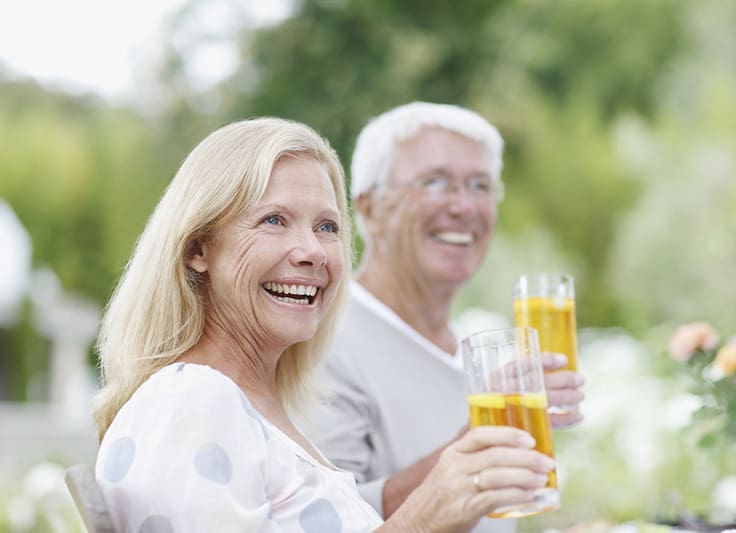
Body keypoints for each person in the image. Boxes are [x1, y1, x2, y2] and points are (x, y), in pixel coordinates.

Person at [92, 117, 556, 532]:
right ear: (198, 249)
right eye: (274, 220)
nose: (312, 250)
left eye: (327, 227)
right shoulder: (192, 402)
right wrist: (425, 518)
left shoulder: (261, 409)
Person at [301, 102, 585, 531]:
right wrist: (474, 448)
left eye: (480, 185)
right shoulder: (320, 340)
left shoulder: (471, 345)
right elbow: (325, 519)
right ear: (371, 210)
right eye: (436, 182)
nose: (463, 206)